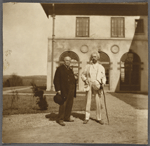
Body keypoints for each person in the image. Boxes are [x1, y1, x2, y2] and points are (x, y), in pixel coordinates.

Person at [81, 52, 106, 125]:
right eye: (92, 56)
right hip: (89, 84)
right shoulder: (88, 66)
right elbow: (82, 75)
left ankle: (99, 118)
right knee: (88, 101)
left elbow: (104, 77)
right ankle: (86, 117)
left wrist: (103, 83)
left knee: (98, 102)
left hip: (97, 85)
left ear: (98, 58)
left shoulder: (101, 67)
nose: (93, 58)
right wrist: (85, 80)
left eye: (95, 56)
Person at [53, 56, 77, 126]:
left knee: (70, 104)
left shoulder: (70, 69)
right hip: (64, 89)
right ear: (64, 61)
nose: (68, 62)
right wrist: (58, 90)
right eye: (66, 60)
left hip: (71, 89)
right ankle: (60, 119)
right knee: (63, 104)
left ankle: (67, 117)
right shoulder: (60, 69)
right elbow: (56, 80)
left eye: (69, 61)